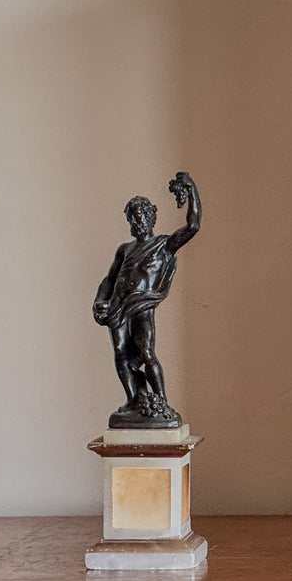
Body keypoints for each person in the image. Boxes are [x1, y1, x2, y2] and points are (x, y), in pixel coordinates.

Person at [93, 172, 200, 428]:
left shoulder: (163, 245)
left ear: (151, 217)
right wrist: (100, 301)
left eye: (142, 215)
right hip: (117, 307)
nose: (138, 221)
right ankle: (132, 400)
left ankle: (161, 401)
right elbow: (109, 279)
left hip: (142, 305)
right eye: (133, 217)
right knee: (120, 353)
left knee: (146, 352)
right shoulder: (125, 249)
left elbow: (193, 226)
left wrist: (192, 192)